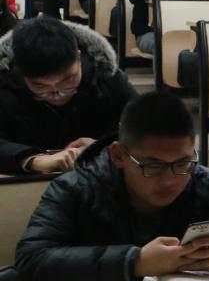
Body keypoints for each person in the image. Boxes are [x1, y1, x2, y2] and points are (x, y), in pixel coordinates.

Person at [15, 91, 209, 281]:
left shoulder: (206, 182)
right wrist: (135, 262)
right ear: (118, 155)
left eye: (182, 163)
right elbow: (30, 262)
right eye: (153, 166)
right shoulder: (75, 188)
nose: (170, 180)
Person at [0, 17, 137, 175]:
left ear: (78, 58)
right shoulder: (4, 85)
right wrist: (32, 160)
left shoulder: (107, 77)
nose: (57, 94)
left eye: (68, 80)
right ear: (19, 71)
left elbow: (148, 128)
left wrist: (104, 146)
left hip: (98, 178)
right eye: (40, 86)